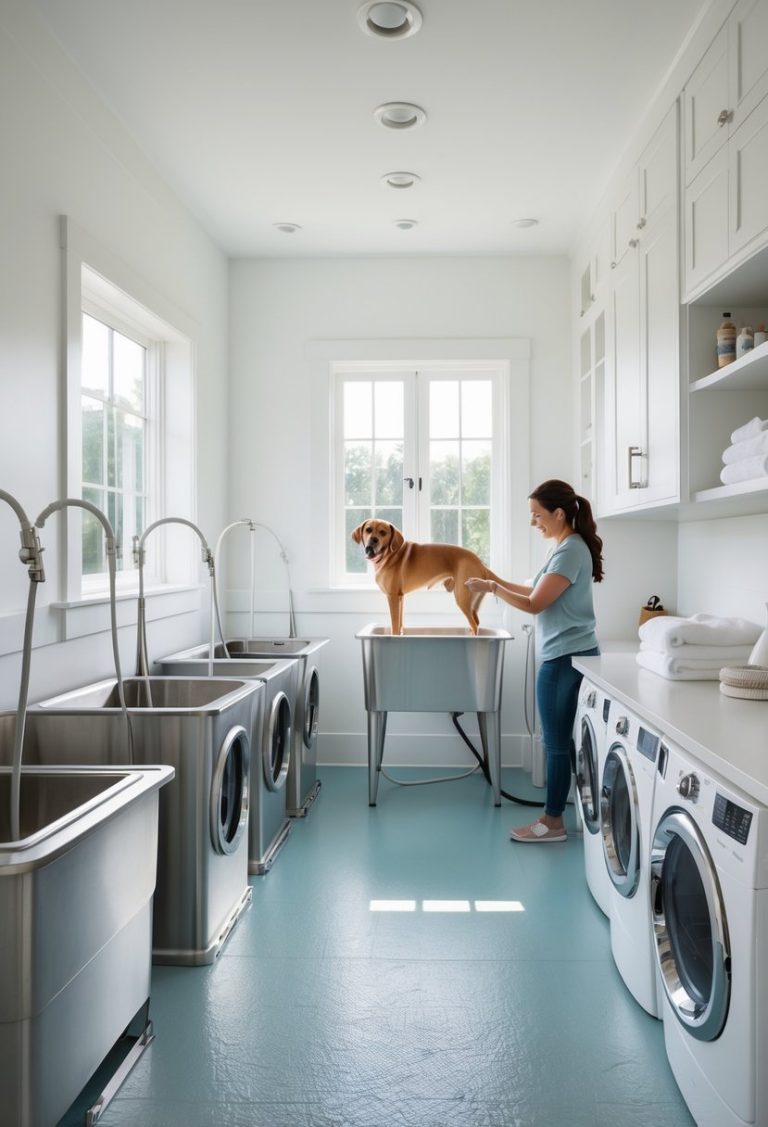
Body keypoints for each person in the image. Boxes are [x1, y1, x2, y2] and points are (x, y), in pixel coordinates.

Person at [465, 479, 603, 843]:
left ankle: (552, 823)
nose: (533, 523)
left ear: (559, 513)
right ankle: (562, 815)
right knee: (561, 743)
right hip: (568, 654)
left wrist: (493, 589)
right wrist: (492, 581)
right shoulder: (564, 546)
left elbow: (534, 605)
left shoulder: (570, 550)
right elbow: (535, 590)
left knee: (555, 745)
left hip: (563, 659)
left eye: (537, 515)